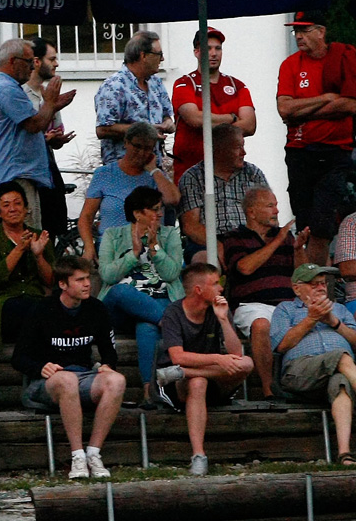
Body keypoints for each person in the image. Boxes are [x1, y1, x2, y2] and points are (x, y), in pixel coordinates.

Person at [13, 256, 126, 479]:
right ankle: (77, 456)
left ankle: (94, 453)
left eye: (88, 279)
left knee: (117, 380)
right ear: (63, 284)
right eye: (80, 280)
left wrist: (108, 365)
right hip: (46, 383)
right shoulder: (42, 310)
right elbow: (19, 357)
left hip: (83, 376)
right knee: (67, 379)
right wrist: (40, 368)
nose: (87, 284)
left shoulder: (96, 309)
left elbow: (109, 350)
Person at [155, 263, 254, 475]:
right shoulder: (173, 313)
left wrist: (223, 320)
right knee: (198, 383)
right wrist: (217, 359)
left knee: (247, 363)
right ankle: (199, 456)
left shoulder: (218, 309)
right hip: (178, 387)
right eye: (215, 283)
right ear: (199, 290)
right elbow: (177, 356)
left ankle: (185, 372)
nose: (220, 288)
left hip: (199, 376)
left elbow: (236, 354)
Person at [277, 10, 356, 265]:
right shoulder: (290, 64)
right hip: (300, 151)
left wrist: (304, 110)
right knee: (304, 225)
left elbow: (351, 105)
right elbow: (285, 109)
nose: (299, 36)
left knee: (322, 225)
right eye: (295, 31)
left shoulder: (343, 58)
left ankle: (317, 283)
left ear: (321, 32)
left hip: (335, 152)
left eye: (304, 30)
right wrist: (327, 98)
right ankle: (309, 283)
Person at [98, 187, 184, 407]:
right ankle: (170, 323)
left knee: (147, 325)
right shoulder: (113, 235)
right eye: (154, 209)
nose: (160, 214)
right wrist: (133, 255)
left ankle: (148, 390)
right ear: (138, 213)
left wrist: (155, 248)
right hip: (121, 307)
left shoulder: (169, 235)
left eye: (160, 208)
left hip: (159, 299)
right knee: (121, 290)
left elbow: (172, 273)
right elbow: (107, 275)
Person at [220, 188, 308, 397]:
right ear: (251, 212)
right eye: (270, 206)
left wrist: (298, 249)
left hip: (287, 304)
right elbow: (245, 267)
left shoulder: (286, 238)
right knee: (261, 325)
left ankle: (303, 387)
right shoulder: (234, 238)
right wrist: (278, 240)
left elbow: (302, 276)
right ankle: (269, 390)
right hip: (252, 305)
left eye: (276, 205)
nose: (276, 211)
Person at [0, 38, 75, 229]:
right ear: (12, 61)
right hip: (16, 177)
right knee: (26, 237)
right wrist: (49, 102)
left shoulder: (7, 87)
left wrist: (53, 105)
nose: (32, 68)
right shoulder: (7, 89)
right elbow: (34, 125)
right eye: (28, 62)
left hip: (20, 175)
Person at [271, 263, 356, 464]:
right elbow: (282, 345)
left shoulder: (340, 310)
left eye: (323, 284)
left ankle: (344, 454)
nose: (320, 288)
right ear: (296, 288)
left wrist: (333, 322)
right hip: (300, 372)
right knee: (342, 358)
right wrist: (311, 319)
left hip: (336, 371)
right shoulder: (285, 309)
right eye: (313, 284)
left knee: (341, 382)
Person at [78, 122, 180, 261]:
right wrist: (89, 247)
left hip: (148, 246)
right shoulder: (104, 174)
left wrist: (154, 170)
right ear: (126, 142)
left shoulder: (155, 176)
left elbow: (173, 200)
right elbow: (86, 216)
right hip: (113, 246)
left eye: (147, 148)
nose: (142, 153)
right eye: (137, 146)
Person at [170, 27, 256, 185]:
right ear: (196, 52)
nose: (214, 53)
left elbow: (250, 125)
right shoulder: (184, 84)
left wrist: (211, 123)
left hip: (228, 174)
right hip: (190, 172)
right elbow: (194, 119)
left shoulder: (237, 86)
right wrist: (232, 118)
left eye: (218, 48)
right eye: (208, 48)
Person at [0, 181, 54, 347]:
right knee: (27, 311)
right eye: (6, 205)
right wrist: (19, 249)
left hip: (35, 299)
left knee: (46, 310)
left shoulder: (39, 236)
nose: (13, 209)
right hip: (0, 303)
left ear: (26, 208)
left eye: (18, 203)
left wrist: (39, 255)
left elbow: (51, 281)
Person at [178, 124, 268, 263]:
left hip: (250, 238)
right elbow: (190, 226)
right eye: (238, 147)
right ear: (219, 150)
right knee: (204, 263)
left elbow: (268, 215)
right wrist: (218, 246)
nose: (244, 152)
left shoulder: (253, 174)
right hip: (208, 242)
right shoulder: (193, 177)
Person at [23, 37, 77, 242]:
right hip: (29, 173)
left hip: (48, 168)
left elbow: (55, 130)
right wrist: (44, 137)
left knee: (53, 230)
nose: (56, 64)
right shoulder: (20, 94)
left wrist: (57, 140)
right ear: (36, 62)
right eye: (52, 58)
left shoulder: (48, 93)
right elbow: (25, 134)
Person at [95, 30, 175, 166]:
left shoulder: (156, 83)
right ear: (143, 55)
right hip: (122, 171)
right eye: (159, 54)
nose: (162, 59)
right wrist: (144, 132)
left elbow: (168, 117)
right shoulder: (114, 86)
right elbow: (102, 129)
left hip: (153, 167)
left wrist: (167, 123)